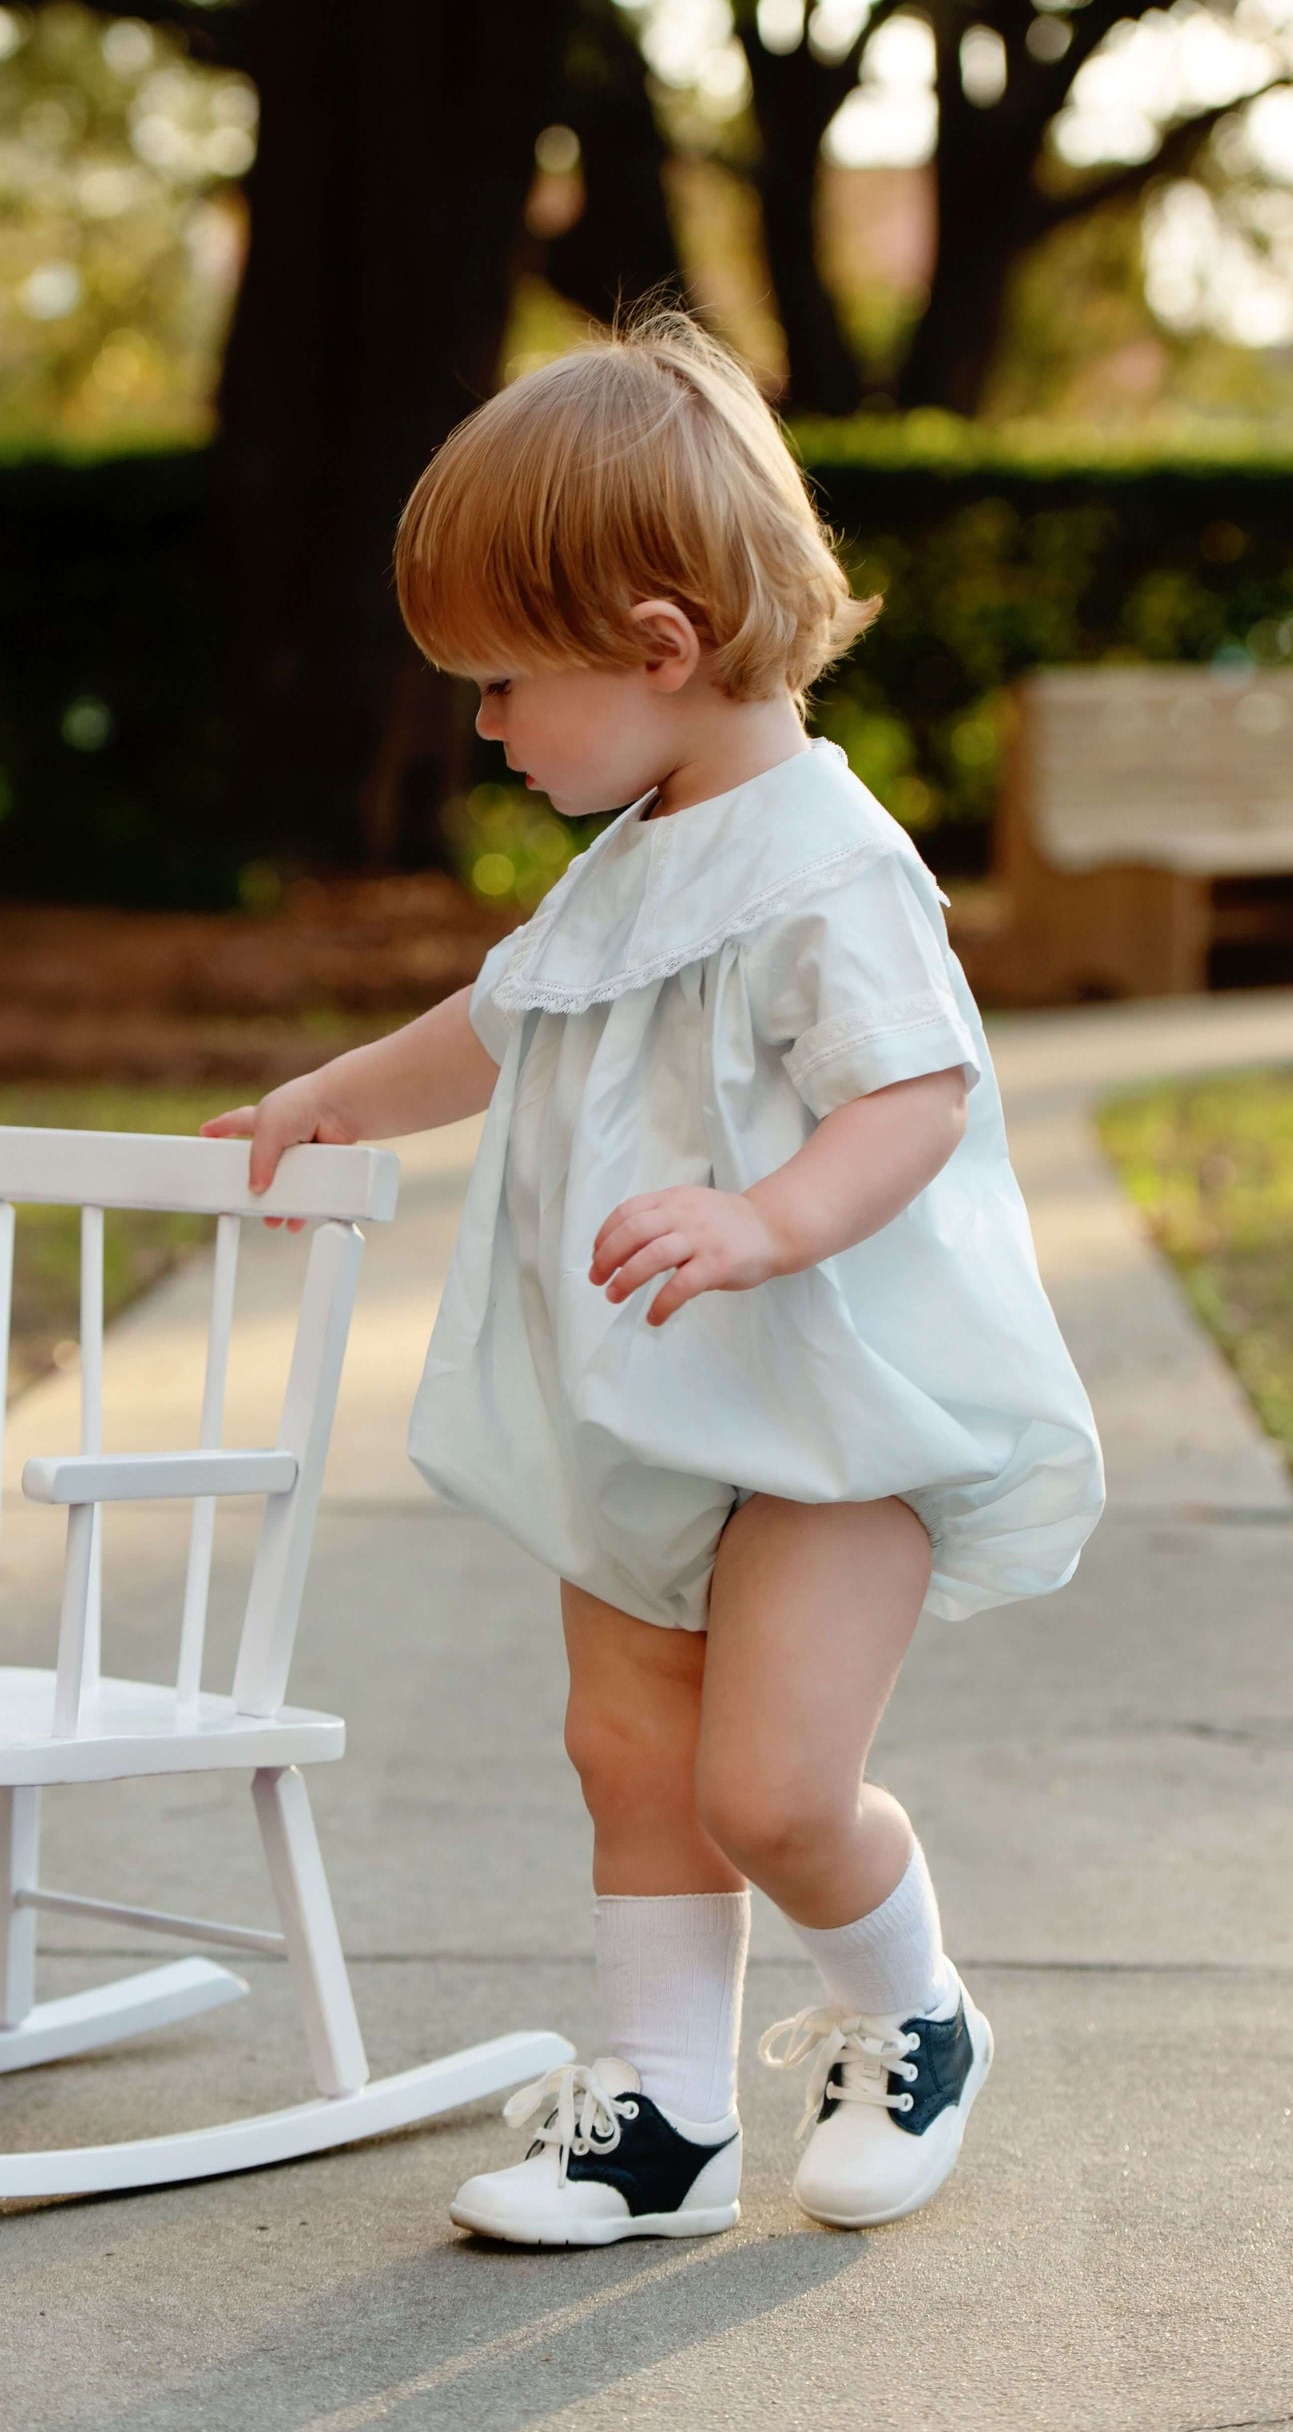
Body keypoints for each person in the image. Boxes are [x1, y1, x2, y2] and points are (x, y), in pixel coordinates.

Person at [200, 310, 1105, 2245]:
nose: (486, 725)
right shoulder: (630, 853)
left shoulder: (825, 865)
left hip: (822, 1416)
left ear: (658, 646)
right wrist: (338, 1097)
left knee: (772, 1787)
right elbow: (508, 1018)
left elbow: (913, 1099)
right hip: (639, 1402)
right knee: (626, 1751)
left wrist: (767, 1220)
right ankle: (665, 2120)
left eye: (505, 681)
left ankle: (913, 2015)